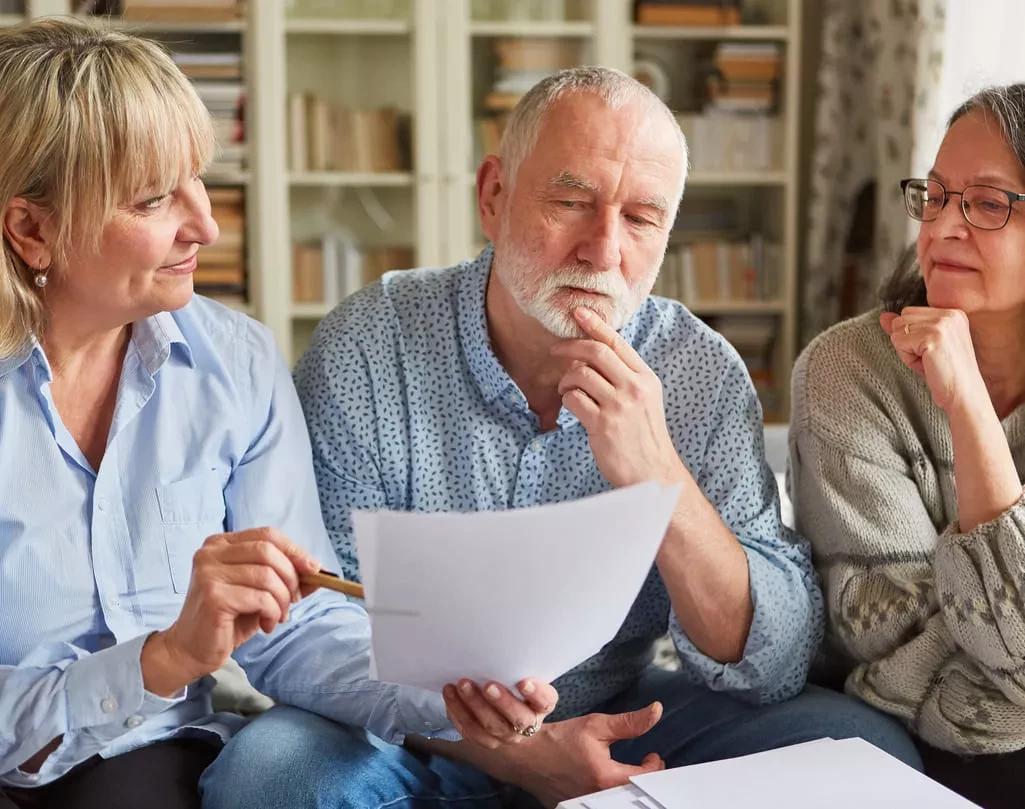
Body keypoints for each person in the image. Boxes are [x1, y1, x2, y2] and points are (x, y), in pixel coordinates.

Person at [292, 66, 920, 809]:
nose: (603, 250)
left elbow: (774, 660)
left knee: (858, 748)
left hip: (619, 709)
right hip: (414, 728)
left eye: (641, 218)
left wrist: (659, 475)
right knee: (275, 772)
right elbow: (315, 617)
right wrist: (515, 753)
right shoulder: (368, 346)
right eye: (570, 202)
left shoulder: (701, 372)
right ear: (492, 195)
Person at [0, 19, 552, 809]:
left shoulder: (236, 361)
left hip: (149, 758)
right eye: (154, 199)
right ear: (31, 228)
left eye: (197, 180)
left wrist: (450, 693)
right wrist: (160, 660)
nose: (206, 226)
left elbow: (297, 627)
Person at [790, 83, 1025, 809]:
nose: (943, 226)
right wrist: (968, 408)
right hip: (915, 735)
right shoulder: (844, 371)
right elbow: (891, 643)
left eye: (988, 203)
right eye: (935, 195)